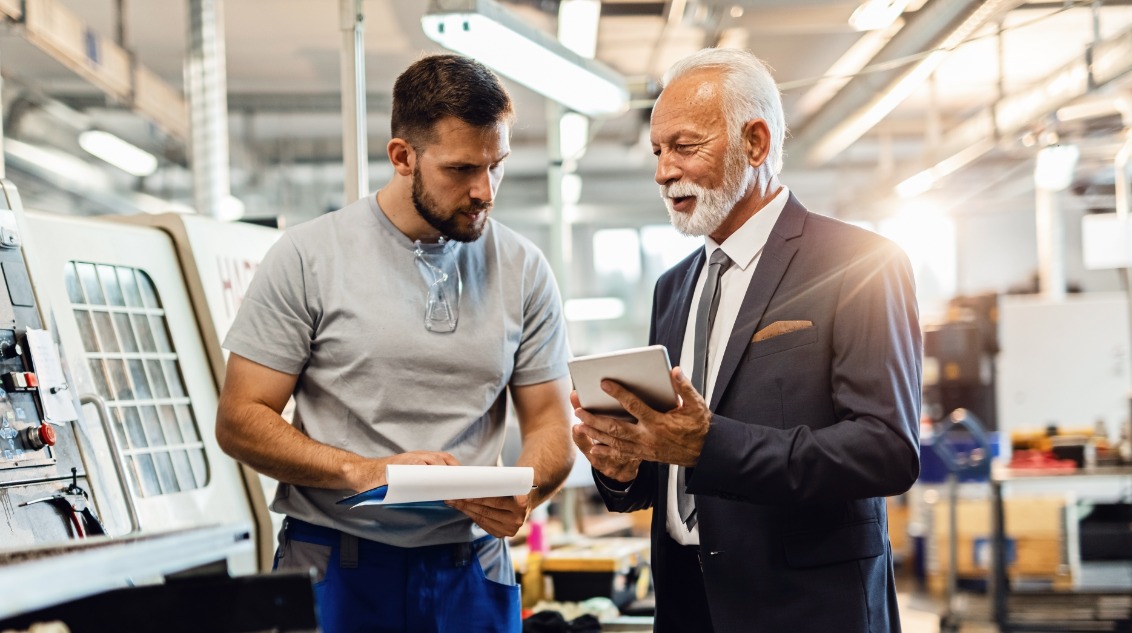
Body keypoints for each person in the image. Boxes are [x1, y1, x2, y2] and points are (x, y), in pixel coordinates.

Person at [216, 54, 575, 633]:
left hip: (471, 567)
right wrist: (362, 471)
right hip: (335, 565)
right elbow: (240, 419)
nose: (485, 191)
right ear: (403, 156)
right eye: (461, 169)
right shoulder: (308, 257)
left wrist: (525, 491)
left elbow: (551, 425)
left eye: (496, 165)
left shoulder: (524, 268)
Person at [572, 48, 922, 632]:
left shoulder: (860, 263)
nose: (663, 171)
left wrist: (708, 445)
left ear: (755, 144)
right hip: (688, 606)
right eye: (657, 152)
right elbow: (674, 476)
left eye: (684, 147)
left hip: (808, 609)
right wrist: (625, 465)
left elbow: (886, 451)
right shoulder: (673, 287)